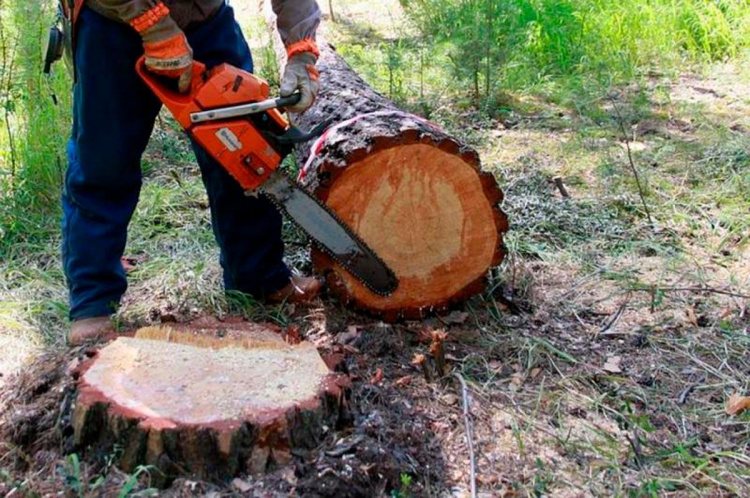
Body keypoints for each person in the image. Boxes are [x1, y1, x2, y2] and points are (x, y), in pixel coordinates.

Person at [63, 0, 323, 345]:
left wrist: (301, 50)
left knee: (245, 153)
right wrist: (153, 25)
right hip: (113, 22)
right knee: (104, 163)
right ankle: (92, 301)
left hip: (205, 19)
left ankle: (259, 276)